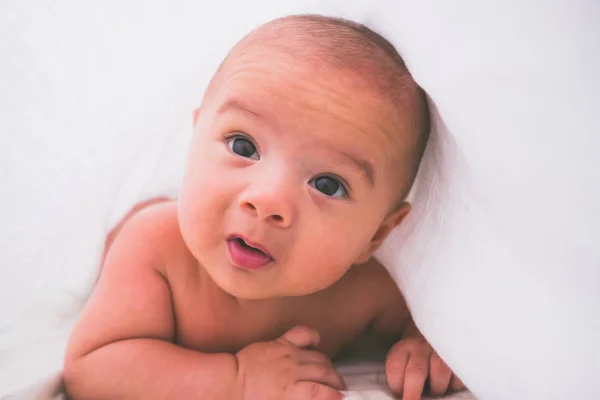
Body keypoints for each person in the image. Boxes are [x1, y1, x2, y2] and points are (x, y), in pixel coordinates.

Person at [64, 14, 464, 400]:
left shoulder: (364, 293)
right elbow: (92, 367)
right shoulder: (155, 250)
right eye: (243, 146)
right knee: (137, 221)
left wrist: (424, 345)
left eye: (328, 185)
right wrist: (234, 381)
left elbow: (422, 322)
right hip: (139, 240)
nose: (267, 199)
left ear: (375, 235)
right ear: (194, 138)